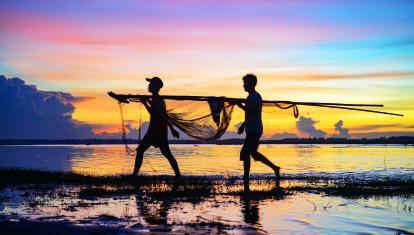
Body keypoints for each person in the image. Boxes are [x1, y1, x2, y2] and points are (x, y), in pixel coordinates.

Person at [234, 74, 280, 188]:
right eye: (243, 83)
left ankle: (246, 176)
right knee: (253, 153)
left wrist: (241, 106)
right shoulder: (250, 97)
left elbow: (254, 112)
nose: (243, 85)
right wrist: (242, 125)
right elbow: (250, 113)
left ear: (252, 84)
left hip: (255, 130)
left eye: (245, 83)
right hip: (253, 129)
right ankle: (275, 168)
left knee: (245, 152)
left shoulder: (255, 97)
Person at [132, 77, 181, 177]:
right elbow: (157, 110)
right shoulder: (156, 99)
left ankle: (178, 176)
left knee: (165, 153)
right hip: (155, 129)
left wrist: (144, 102)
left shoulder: (158, 100)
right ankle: (178, 176)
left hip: (158, 130)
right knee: (144, 150)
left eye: (151, 84)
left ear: (156, 87)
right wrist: (146, 101)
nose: (148, 85)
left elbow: (155, 113)